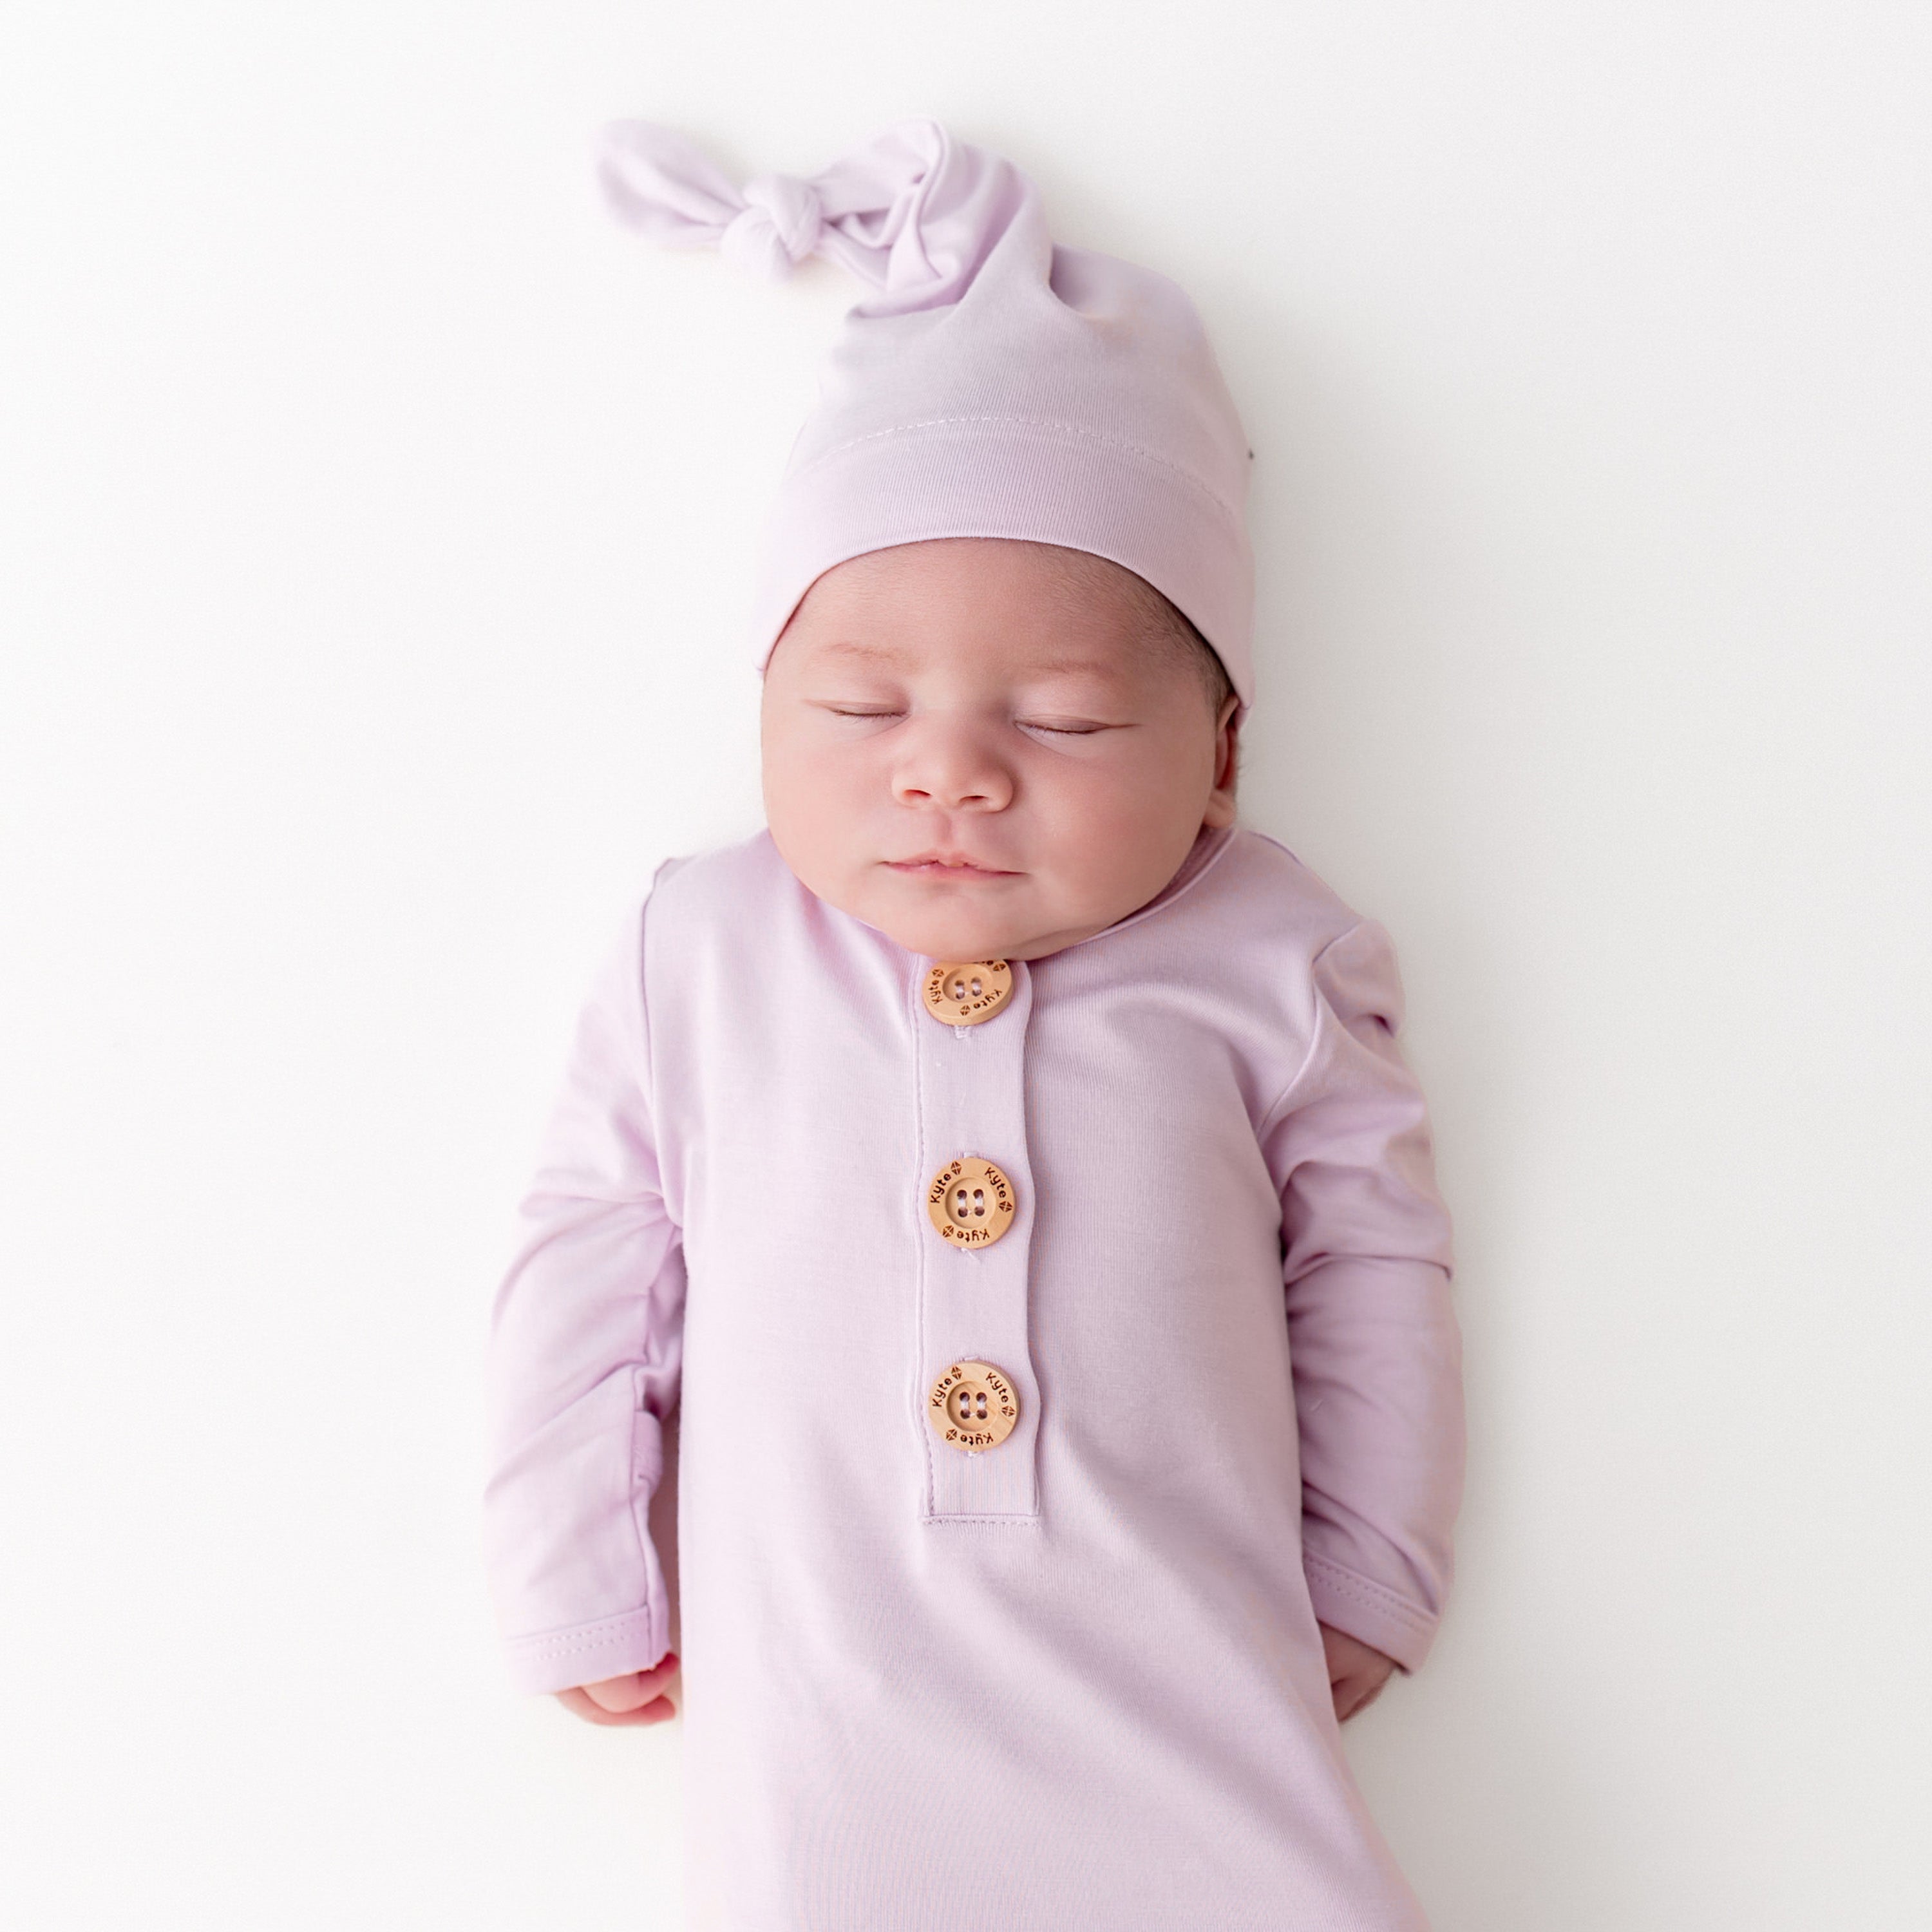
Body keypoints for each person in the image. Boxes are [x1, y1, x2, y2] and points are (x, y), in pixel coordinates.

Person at [482, 118, 1464, 1929]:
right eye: (858, 706)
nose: (949, 771)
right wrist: (571, 1560)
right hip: (834, 1700)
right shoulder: (701, 946)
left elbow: (1374, 1261)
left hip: (1188, 1667)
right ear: (766, 703)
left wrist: (1371, 1566)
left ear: (1220, 758)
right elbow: (589, 1254)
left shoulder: (1271, 953)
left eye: (1070, 722)